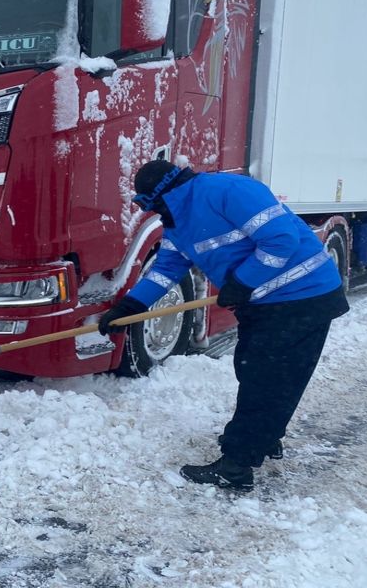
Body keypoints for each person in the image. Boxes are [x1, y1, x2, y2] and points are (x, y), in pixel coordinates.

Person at [98, 160, 349, 491]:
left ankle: (236, 465)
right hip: (265, 303)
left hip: (303, 295)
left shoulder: (230, 191)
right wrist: (130, 306)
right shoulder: (177, 222)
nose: (153, 211)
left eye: (151, 203)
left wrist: (243, 281)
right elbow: (166, 270)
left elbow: (281, 240)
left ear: (164, 194)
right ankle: (263, 438)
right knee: (255, 371)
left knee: (266, 379)